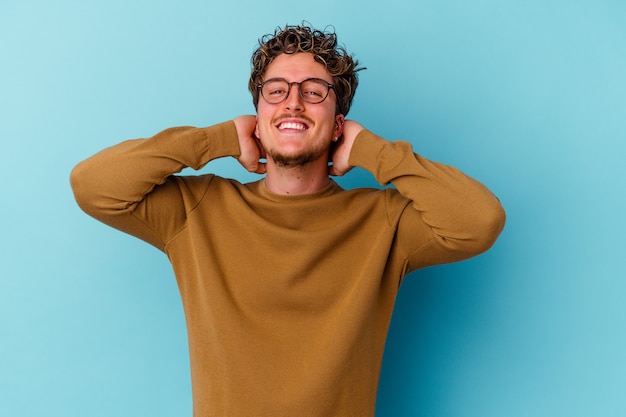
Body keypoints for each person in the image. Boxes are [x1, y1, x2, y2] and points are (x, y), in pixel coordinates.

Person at [71, 23, 505, 417]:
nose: (293, 103)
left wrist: (374, 150)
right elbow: (93, 186)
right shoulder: (196, 211)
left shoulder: (384, 222)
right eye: (276, 90)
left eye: (314, 91)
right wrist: (215, 139)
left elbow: (479, 221)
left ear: (339, 125)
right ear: (257, 118)